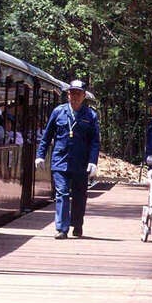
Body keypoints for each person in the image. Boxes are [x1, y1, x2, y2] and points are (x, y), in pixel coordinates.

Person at [35, 79, 100, 239]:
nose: (75, 96)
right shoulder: (58, 112)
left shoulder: (90, 115)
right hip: (60, 160)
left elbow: (95, 141)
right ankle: (61, 229)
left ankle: (77, 224)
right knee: (62, 193)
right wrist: (40, 155)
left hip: (81, 162)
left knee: (79, 195)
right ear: (68, 95)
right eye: (72, 93)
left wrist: (93, 161)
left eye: (78, 93)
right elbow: (47, 135)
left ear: (84, 96)